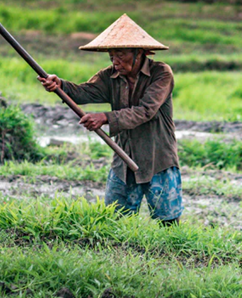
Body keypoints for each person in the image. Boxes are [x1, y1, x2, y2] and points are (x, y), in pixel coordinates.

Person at [38, 14, 183, 226]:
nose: (115, 62)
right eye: (111, 56)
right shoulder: (109, 76)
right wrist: (60, 85)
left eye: (121, 55)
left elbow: (146, 110)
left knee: (168, 222)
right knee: (114, 221)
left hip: (158, 156)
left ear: (139, 53)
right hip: (124, 155)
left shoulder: (161, 73)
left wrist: (105, 117)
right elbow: (83, 92)